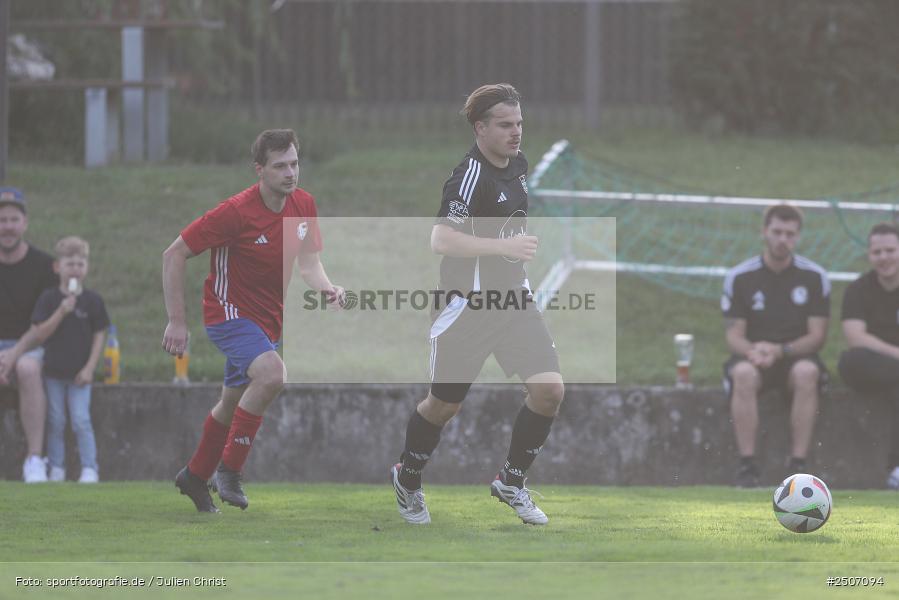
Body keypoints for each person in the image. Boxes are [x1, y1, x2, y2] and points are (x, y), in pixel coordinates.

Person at [390, 84, 564, 526]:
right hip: (465, 307)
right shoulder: (467, 175)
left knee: (549, 391)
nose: (516, 132)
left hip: (514, 303)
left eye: (519, 123)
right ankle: (407, 477)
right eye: (505, 125)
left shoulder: (519, 164)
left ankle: (511, 481)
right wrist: (499, 243)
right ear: (480, 127)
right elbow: (440, 238)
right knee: (443, 407)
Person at [163, 129, 344, 513]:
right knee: (272, 374)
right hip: (227, 313)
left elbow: (309, 264)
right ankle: (229, 470)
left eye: (294, 163)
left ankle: (194, 476)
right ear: (259, 170)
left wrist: (327, 287)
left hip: (267, 323)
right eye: (280, 166)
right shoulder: (235, 212)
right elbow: (174, 254)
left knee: (231, 405)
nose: (290, 173)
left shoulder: (304, 205)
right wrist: (177, 322)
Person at [721, 203, 830, 488]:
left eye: (790, 234)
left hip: (796, 356)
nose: (783, 239)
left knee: (808, 372)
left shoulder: (815, 277)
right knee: (742, 374)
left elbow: (817, 336)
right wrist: (755, 352)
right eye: (777, 232)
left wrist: (781, 351)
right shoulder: (740, 277)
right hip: (754, 357)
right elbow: (734, 335)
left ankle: (798, 466)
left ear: (798, 237)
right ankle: (747, 466)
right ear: (764, 232)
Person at [0, 236, 109, 483]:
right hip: (53, 374)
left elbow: (99, 334)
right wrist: (62, 311)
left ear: (87, 267)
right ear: (57, 267)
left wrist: (91, 368)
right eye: (70, 264)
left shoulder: (92, 301)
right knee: (56, 421)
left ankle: (90, 468)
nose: (75, 269)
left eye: (81, 264)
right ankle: (56, 469)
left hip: (80, 374)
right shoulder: (49, 299)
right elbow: (40, 332)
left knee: (81, 420)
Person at [0, 187, 57, 483]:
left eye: (13, 219)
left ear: (24, 223)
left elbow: (47, 324)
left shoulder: (44, 266)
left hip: (31, 345)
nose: (7, 226)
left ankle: (35, 460)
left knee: (27, 369)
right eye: (2, 220)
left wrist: (13, 355)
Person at [838, 222, 899, 489]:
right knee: (850, 360)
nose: (884, 258)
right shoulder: (858, 290)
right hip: (870, 366)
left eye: (890, 250)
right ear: (869, 255)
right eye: (878, 252)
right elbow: (855, 337)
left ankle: (895, 468)